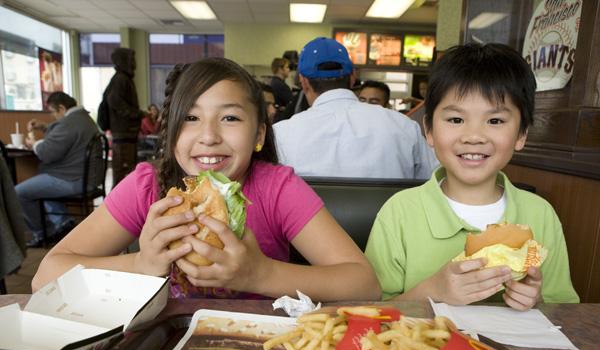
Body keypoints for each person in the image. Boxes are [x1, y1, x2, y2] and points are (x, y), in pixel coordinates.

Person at [33, 58, 380, 302]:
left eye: (229, 117)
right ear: (170, 134)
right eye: (191, 118)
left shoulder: (278, 188)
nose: (209, 136)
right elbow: (45, 275)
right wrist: (140, 264)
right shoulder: (147, 187)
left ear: (259, 134)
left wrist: (261, 275)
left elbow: (364, 284)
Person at [365, 43, 579, 309]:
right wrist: (434, 290)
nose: (474, 137)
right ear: (429, 130)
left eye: (495, 121)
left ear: (522, 134)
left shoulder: (540, 214)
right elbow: (372, 310)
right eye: (456, 120)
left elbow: (566, 310)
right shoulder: (399, 213)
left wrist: (537, 300)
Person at [274, 37, 437, 179]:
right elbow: (435, 181)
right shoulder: (403, 126)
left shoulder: (281, 134)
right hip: (389, 215)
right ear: (352, 77)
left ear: (303, 82)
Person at [17, 92, 98, 247]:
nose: (54, 116)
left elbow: (47, 153)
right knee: (40, 185)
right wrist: (45, 127)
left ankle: (43, 233)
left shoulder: (69, 123)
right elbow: (68, 135)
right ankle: (62, 222)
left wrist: (34, 143)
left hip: (73, 180)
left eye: (54, 112)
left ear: (61, 108)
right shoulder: (83, 119)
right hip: (86, 177)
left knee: (19, 193)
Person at [104, 47, 145, 188]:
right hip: (123, 134)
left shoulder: (124, 79)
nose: (134, 63)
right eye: (131, 59)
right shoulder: (120, 79)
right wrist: (136, 113)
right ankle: (117, 207)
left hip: (127, 134)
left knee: (127, 172)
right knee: (123, 173)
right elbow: (114, 101)